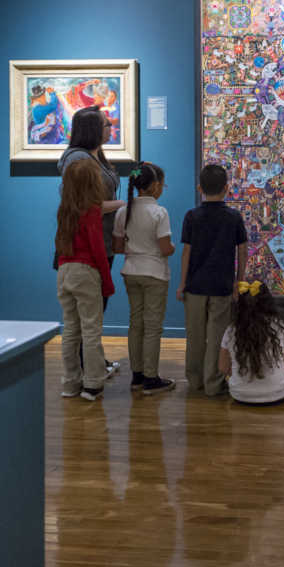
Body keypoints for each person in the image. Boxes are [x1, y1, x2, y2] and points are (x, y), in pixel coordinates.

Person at [58, 105, 124, 377]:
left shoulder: (95, 156)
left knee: (93, 313)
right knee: (87, 316)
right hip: (88, 244)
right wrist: (119, 204)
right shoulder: (77, 160)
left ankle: (91, 365)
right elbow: (86, 204)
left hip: (103, 239)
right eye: (106, 125)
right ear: (92, 129)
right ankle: (88, 372)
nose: (110, 128)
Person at [176, 164, 248, 397]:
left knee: (194, 336)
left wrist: (182, 284)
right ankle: (214, 383)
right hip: (222, 285)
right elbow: (243, 250)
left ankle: (194, 380)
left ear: (200, 188)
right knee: (218, 336)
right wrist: (239, 281)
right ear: (227, 188)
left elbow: (186, 251)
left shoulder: (191, 216)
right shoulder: (233, 217)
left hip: (195, 286)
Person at [112, 161, 176, 395]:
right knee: (152, 327)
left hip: (130, 271)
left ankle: (137, 375)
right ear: (155, 185)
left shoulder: (123, 211)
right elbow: (164, 248)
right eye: (162, 184)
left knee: (135, 324)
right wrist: (173, 248)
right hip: (155, 273)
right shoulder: (159, 212)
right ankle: (151, 378)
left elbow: (118, 247)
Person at [55, 158, 116, 401]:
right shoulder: (91, 211)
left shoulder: (65, 209)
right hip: (86, 272)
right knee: (91, 330)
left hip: (64, 270)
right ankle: (93, 383)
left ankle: (70, 382)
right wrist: (107, 280)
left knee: (70, 329)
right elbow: (98, 249)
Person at [219, 280, 284, 405]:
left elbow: (223, 367)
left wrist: (241, 377)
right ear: (268, 302)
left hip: (240, 395)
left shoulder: (231, 330)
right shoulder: (280, 324)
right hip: (277, 394)